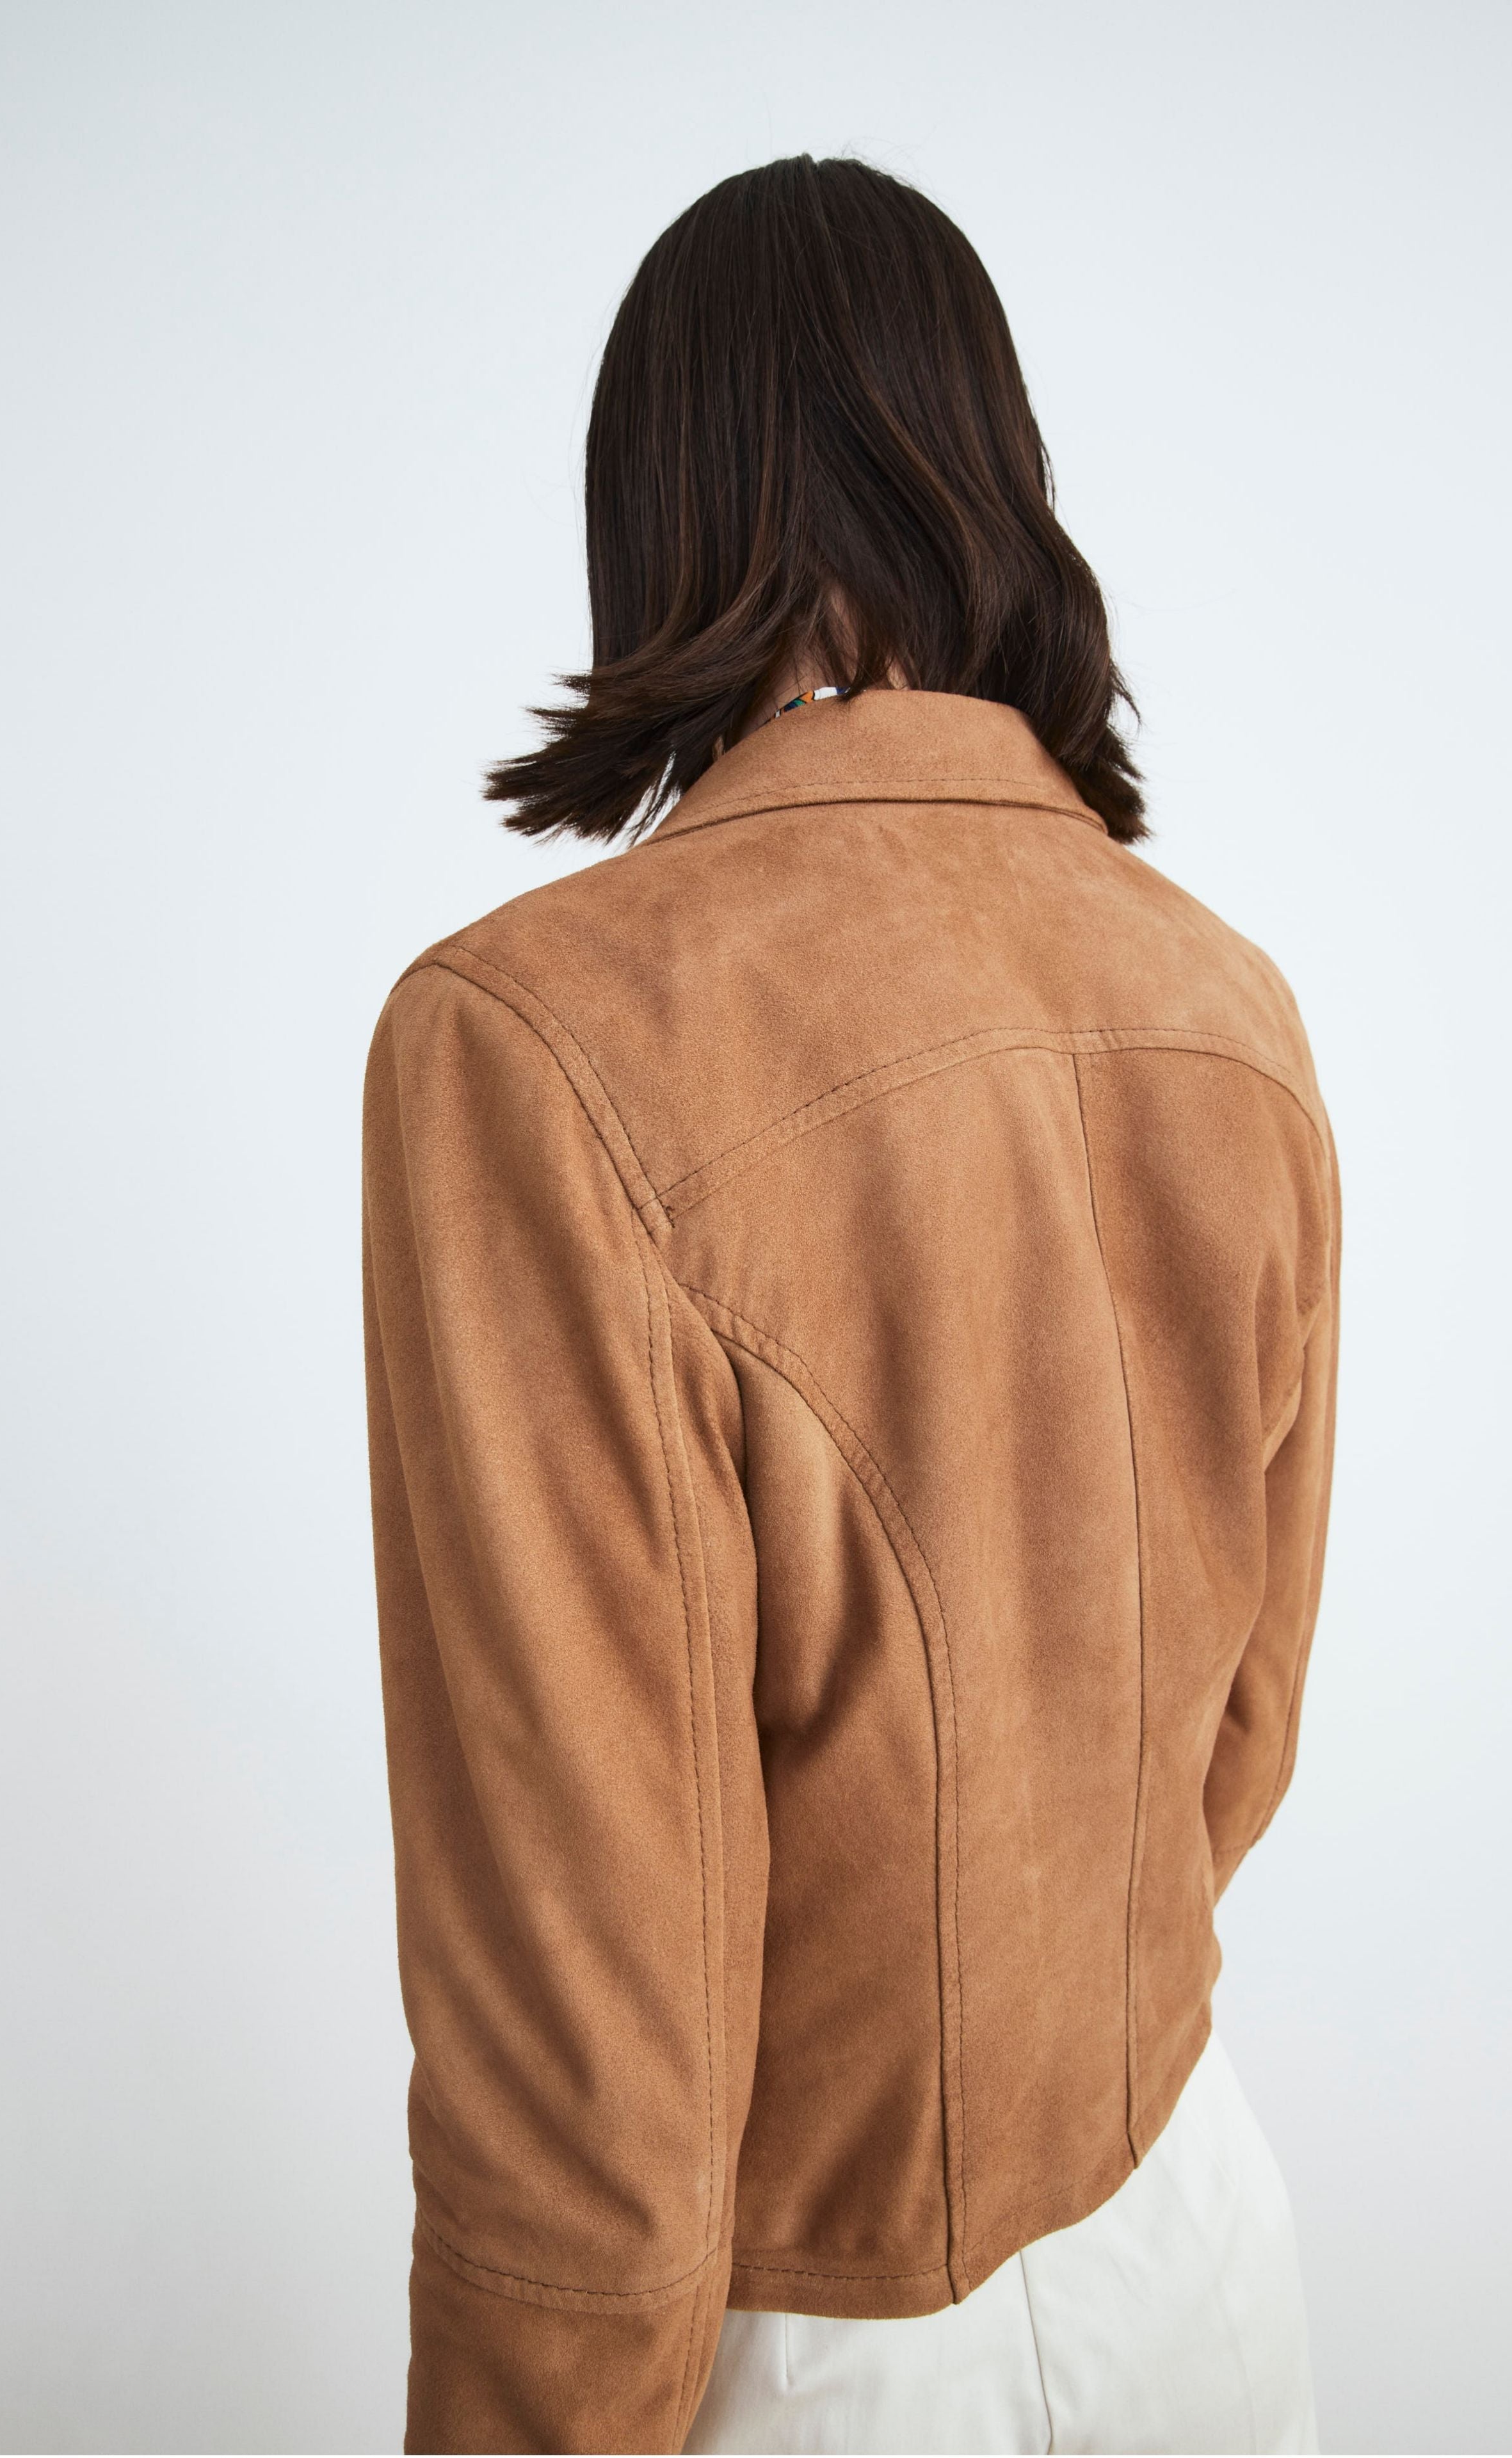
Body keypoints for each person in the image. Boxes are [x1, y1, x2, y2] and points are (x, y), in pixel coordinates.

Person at [362, 155, 1337, 2455]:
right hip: (1197, 2242)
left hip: (816, 2346)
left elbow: (584, 2013)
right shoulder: (1223, 1000)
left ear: (658, 508)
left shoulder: (534, 1048)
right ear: (990, 472)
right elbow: (1246, 1725)